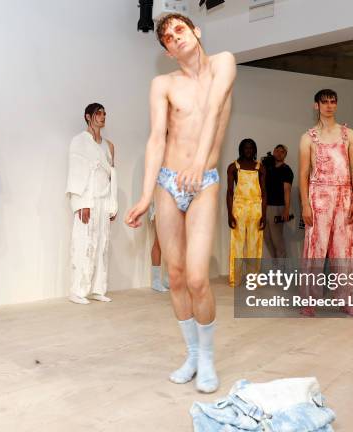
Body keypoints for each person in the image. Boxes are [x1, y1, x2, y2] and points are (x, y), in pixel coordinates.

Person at [125, 13, 236, 393]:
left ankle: (207, 359)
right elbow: (156, 138)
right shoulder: (163, 84)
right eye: (168, 38)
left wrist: (198, 163)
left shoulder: (224, 62)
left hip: (203, 181)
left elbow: (214, 112)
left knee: (197, 278)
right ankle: (191, 354)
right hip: (169, 182)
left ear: (196, 31)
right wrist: (144, 195)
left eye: (180, 30)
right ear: (168, 52)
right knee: (174, 276)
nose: (175, 38)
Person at [299, 89, 353, 317]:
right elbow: (304, 172)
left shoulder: (349, 135)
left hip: (344, 196)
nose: (329, 105)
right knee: (315, 248)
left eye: (333, 101)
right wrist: (305, 204)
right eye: (324, 102)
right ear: (316, 105)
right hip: (319, 196)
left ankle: (345, 299)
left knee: (344, 250)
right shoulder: (308, 137)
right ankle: (308, 301)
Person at [66, 103, 118, 304]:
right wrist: (81, 203)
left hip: (104, 200)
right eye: (98, 113)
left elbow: (112, 175)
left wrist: (113, 204)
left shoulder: (109, 145)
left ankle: (98, 288)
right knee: (83, 243)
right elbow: (76, 173)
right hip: (87, 200)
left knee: (102, 244)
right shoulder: (78, 142)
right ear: (88, 117)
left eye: (105, 113)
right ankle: (77, 290)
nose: (103, 116)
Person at [226, 138, 266, 287]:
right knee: (237, 243)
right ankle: (235, 278)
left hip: (256, 208)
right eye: (245, 148)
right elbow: (230, 192)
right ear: (241, 150)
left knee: (254, 244)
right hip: (239, 208)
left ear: (254, 150)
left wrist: (264, 214)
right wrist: (230, 213)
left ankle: (253, 278)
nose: (248, 151)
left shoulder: (260, 168)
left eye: (251, 148)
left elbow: (264, 193)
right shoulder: (233, 167)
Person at [262, 144, 293, 258]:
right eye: (277, 151)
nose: (279, 153)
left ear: (285, 155)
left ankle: (282, 270)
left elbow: (287, 191)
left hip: (277, 207)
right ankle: (277, 265)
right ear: (274, 151)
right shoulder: (267, 168)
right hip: (264, 206)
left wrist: (286, 210)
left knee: (277, 240)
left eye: (282, 152)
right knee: (266, 238)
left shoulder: (286, 170)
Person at [149, 203, 170, 292]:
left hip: (174, 207)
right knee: (159, 242)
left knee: (171, 245)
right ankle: (156, 281)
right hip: (160, 206)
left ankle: (168, 279)